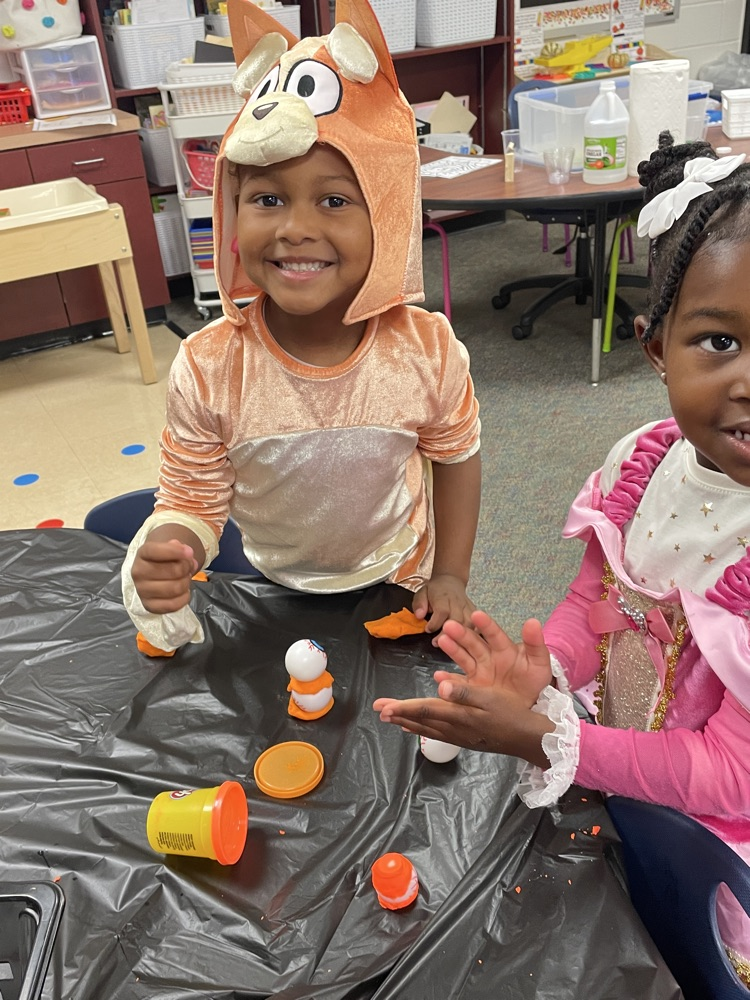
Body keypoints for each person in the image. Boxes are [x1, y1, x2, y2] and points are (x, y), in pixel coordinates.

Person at [374, 130, 750, 984]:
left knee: (682, 956)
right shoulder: (643, 463)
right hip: (618, 761)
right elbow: (594, 604)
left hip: (716, 834)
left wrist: (553, 740)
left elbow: (731, 776)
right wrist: (546, 668)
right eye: (719, 342)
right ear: (657, 349)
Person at [122, 0, 481, 653]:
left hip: (398, 582)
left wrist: (451, 573)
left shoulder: (426, 350)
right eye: (267, 199)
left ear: (388, 215)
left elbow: (455, 457)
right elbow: (192, 497)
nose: (294, 228)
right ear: (232, 216)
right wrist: (170, 550)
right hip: (271, 586)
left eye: (335, 199)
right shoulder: (208, 365)